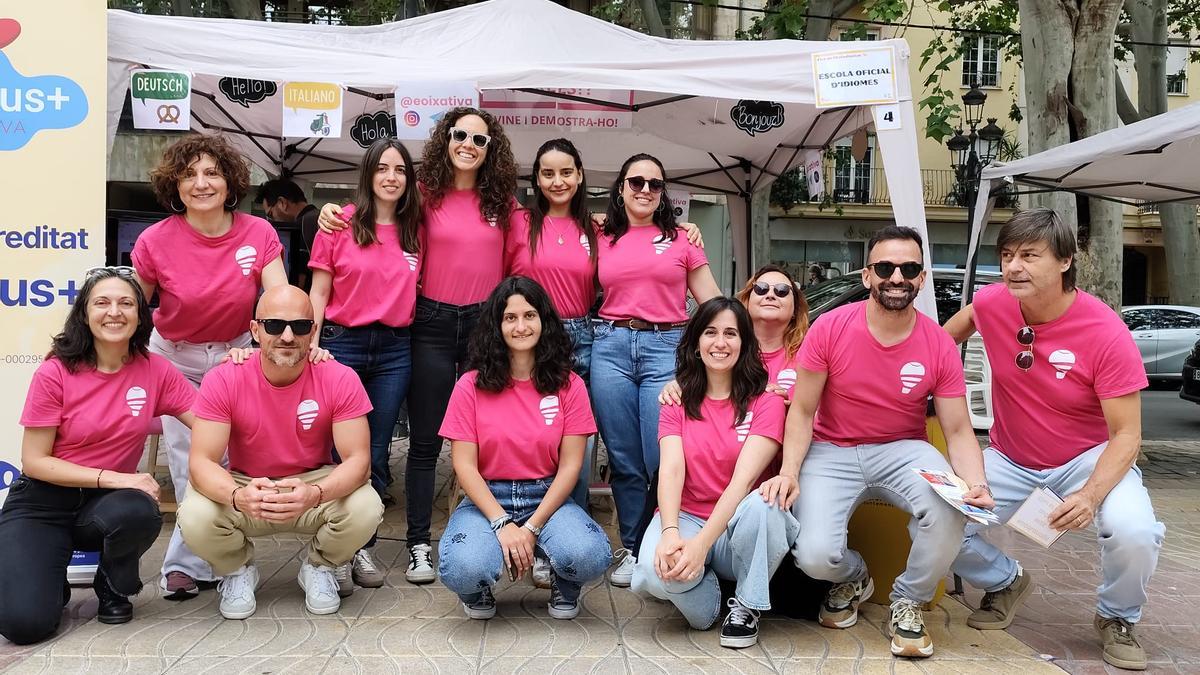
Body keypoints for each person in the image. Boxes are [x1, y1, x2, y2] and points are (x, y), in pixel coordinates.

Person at [944, 209, 1161, 671]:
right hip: (1009, 457)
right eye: (1007, 255)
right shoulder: (992, 302)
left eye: (1029, 255)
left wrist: (1090, 495)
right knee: (934, 520)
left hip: (1088, 459)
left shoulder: (1105, 331)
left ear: (1065, 260)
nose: (1013, 267)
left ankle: (1117, 617)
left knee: (1135, 530)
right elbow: (943, 342)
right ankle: (1005, 581)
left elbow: (1128, 435)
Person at [317, 108, 519, 584]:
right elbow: (378, 212)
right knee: (425, 442)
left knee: (489, 438)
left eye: (480, 139)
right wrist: (333, 212)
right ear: (445, 139)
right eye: (460, 134)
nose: (469, 144)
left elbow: (526, 254)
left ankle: (494, 535)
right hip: (429, 323)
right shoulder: (423, 194)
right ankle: (418, 545)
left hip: (483, 325)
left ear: (491, 149)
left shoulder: (504, 204)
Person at [783, 225, 993, 659]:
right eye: (885, 268)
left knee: (951, 509)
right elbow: (801, 411)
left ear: (921, 278)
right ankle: (854, 576)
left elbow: (957, 429)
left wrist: (977, 485)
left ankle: (909, 599)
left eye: (909, 269)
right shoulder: (830, 327)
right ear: (867, 276)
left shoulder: (938, 343)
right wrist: (789, 472)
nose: (897, 277)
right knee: (815, 557)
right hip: (831, 448)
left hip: (903, 449)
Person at [0, 267, 195, 644]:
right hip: (43, 503)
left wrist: (249, 370)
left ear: (140, 314)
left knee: (138, 509)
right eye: (102, 303)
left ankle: (112, 585)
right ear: (84, 313)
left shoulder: (155, 369)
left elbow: (208, 420)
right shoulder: (55, 372)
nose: (114, 312)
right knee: (24, 625)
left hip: (105, 507)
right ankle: (49, 580)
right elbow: (35, 461)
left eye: (126, 303)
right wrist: (118, 477)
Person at [134, 133, 289, 600]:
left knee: (230, 461)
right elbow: (135, 310)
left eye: (212, 173)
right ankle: (189, 564)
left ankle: (218, 557)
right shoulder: (154, 240)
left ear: (230, 182)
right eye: (189, 175)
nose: (201, 183)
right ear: (175, 186)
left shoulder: (259, 233)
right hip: (174, 358)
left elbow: (279, 300)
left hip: (235, 353)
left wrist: (261, 345)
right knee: (191, 462)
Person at [177, 285, 383, 620]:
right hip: (247, 483)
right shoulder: (224, 378)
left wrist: (316, 493)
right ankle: (237, 570)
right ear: (255, 330)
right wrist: (236, 496)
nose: (287, 336)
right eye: (274, 325)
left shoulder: (339, 377)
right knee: (194, 514)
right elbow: (201, 461)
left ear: (313, 332)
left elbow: (359, 461)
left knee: (366, 506)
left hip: (311, 480)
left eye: (299, 326)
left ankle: (320, 566)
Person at [437, 277, 611, 620]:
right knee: (463, 568)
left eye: (530, 315)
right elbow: (464, 466)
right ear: (496, 325)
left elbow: (571, 467)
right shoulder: (470, 385)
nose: (521, 327)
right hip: (487, 497)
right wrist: (502, 523)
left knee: (590, 555)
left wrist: (531, 528)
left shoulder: (570, 385)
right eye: (510, 318)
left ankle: (565, 582)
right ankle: (477, 588)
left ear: (544, 321)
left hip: (547, 494)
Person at [632, 297, 796, 649]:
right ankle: (710, 603)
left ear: (745, 344)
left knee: (765, 504)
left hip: (740, 527)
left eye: (730, 334)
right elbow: (671, 470)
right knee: (651, 573)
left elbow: (742, 482)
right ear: (695, 343)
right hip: (689, 517)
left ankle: (747, 605)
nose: (720, 343)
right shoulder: (676, 401)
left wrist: (701, 545)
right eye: (710, 332)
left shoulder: (766, 402)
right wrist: (671, 533)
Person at [589, 153, 722, 587]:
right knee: (623, 459)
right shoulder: (600, 234)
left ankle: (663, 539)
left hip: (666, 349)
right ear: (621, 188)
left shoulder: (683, 239)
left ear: (664, 193)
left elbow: (713, 303)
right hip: (609, 345)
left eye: (655, 184)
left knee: (660, 456)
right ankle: (633, 549)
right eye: (636, 182)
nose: (645, 190)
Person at [307, 138, 422, 593]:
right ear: (368, 174)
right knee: (341, 451)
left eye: (400, 170)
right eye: (382, 168)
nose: (391, 177)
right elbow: (319, 291)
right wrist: (311, 345)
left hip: (395, 349)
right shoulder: (339, 224)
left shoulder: (416, 230)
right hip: (344, 345)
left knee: (376, 451)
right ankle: (335, 548)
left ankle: (361, 545)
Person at [257, 178, 319, 254]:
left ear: (282, 203)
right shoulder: (319, 217)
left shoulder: (302, 228)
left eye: (271, 214)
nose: (272, 220)